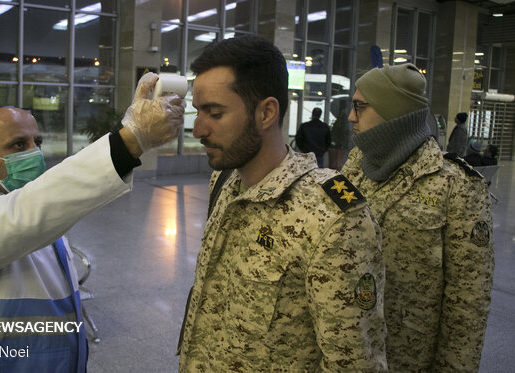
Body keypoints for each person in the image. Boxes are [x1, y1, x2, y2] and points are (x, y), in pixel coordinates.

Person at [0, 73, 185, 373]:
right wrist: (130, 140)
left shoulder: (49, 230)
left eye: (36, 142)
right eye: (18, 145)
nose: (34, 152)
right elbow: (24, 215)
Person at [177, 35, 387, 372]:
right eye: (198, 112)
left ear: (266, 112)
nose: (198, 129)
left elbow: (353, 363)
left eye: (214, 113)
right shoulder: (225, 181)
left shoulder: (332, 219)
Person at [342, 63, 494, 372]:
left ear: (392, 113)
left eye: (360, 106)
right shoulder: (356, 167)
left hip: (408, 357)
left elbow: (468, 304)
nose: (351, 116)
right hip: (349, 349)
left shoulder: (456, 185)